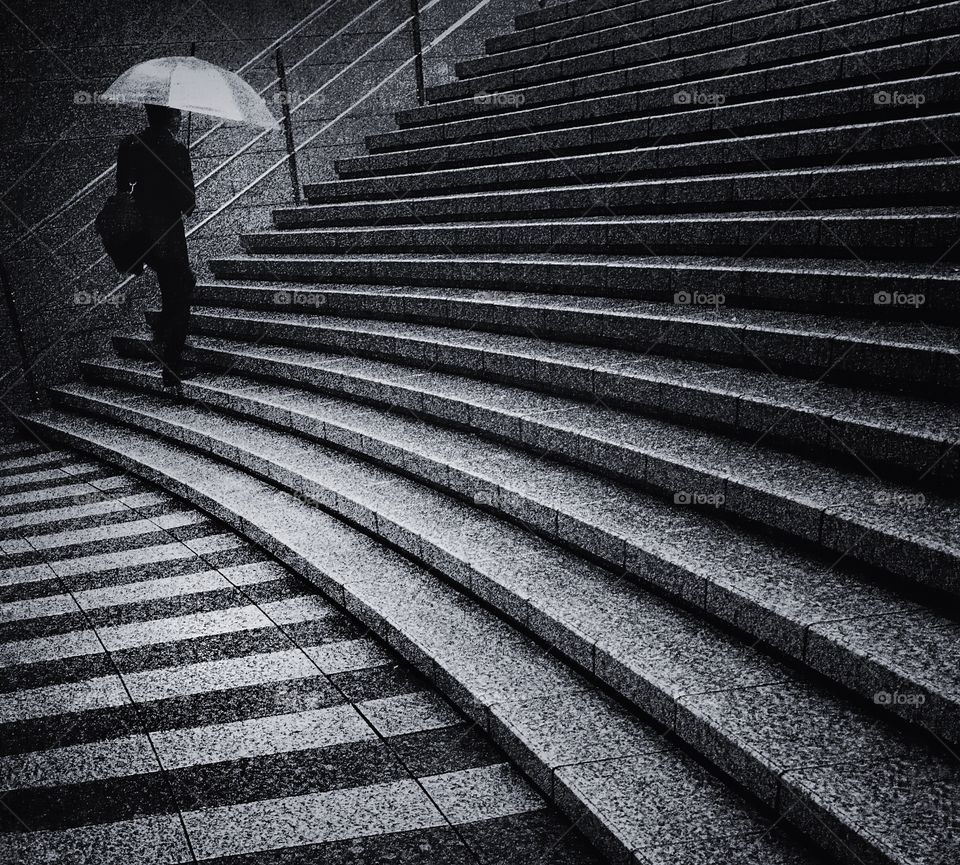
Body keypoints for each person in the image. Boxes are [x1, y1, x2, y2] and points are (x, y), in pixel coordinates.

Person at [115, 103, 196, 387]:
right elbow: (187, 203)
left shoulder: (130, 144)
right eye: (177, 113)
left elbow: (122, 187)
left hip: (140, 235)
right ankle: (172, 365)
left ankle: (164, 331)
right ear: (170, 118)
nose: (180, 117)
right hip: (167, 235)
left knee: (176, 285)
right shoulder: (175, 149)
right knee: (180, 292)